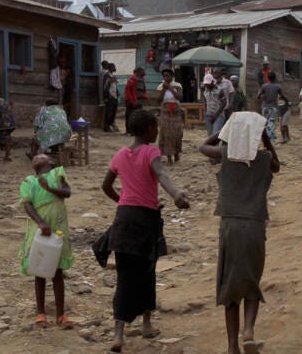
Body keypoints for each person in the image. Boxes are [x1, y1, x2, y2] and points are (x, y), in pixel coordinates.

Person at [101, 109, 191, 353]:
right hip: (145, 220)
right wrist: (176, 195)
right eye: (156, 126)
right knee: (147, 272)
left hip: (123, 220)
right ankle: (147, 324)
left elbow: (105, 185)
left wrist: (122, 200)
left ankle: (118, 334)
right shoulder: (151, 151)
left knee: (124, 278)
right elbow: (162, 174)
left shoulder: (120, 154)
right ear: (149, 127)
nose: (158, 130)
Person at [199, 112, 281, 354]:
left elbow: (202, 146)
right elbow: (277, 165)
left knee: (230, 289)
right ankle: (249, 332)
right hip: (255, 226)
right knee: (251, 282)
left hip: (230, 227)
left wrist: (224, 129)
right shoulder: (264, 158)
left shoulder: (226, 155)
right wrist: (265, 138)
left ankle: (232, 346)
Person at [18, 154, 74, 330]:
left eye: (41, 156)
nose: (36, 157)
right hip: (39, 228)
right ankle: (40, 312)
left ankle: (60, 314)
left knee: (57, 271)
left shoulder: (58, 173)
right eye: (34, 157)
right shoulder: (29, 181)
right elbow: (27, 205)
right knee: (39, 269)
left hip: (57, 227)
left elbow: (67, 193)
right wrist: (41, 223)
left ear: (51, 162)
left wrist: (49, 187)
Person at [156, 69, 184, 165]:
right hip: (165, 111)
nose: (165, 78)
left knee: (177, 133)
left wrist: (170, 88)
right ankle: (169, 157)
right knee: (166, 134)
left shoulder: (177, 85)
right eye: (164, 76)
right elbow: (158, 100)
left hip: (175, 111)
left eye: (167, 75)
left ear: (172, 76)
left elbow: (179, 97)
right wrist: (164, 89)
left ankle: (176, 153)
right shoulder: (161, 86)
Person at [256, 72, 287, 142]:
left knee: (266, 123)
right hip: (273, 107)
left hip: (265, 107)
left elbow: (257, 97)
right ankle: (269, 137)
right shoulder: (278, 87)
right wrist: (287, 101)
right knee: (272, 123)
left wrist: (263, 97)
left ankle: (269, 136)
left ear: (268, 78)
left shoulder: (264, 86)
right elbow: (282, 96)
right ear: (275, 78)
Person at [124, 67, 148, 135]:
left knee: (138, 117)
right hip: (132, 102)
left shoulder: (142, 79)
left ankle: (135, 131)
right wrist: (131, 101)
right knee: (130, 116)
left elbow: (142, 90)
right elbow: (128, 91)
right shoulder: (132, 79)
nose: (144, 72)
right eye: (143, 70)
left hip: (139, 101)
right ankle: (129, 131)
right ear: (138, 72)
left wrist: (144, 96)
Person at [103, 63, 120, 132]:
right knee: (109, 112)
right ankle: (106, 127)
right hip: (110, 96)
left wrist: (118, 93)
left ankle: (110, 125)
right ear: (109, 68)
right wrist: (107, 96)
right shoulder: (107, 76)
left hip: (114, 96)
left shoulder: (113, 76)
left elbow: (115, 86)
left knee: (113, 112)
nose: (114, 68)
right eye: (113, 67)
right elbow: (105, 87)